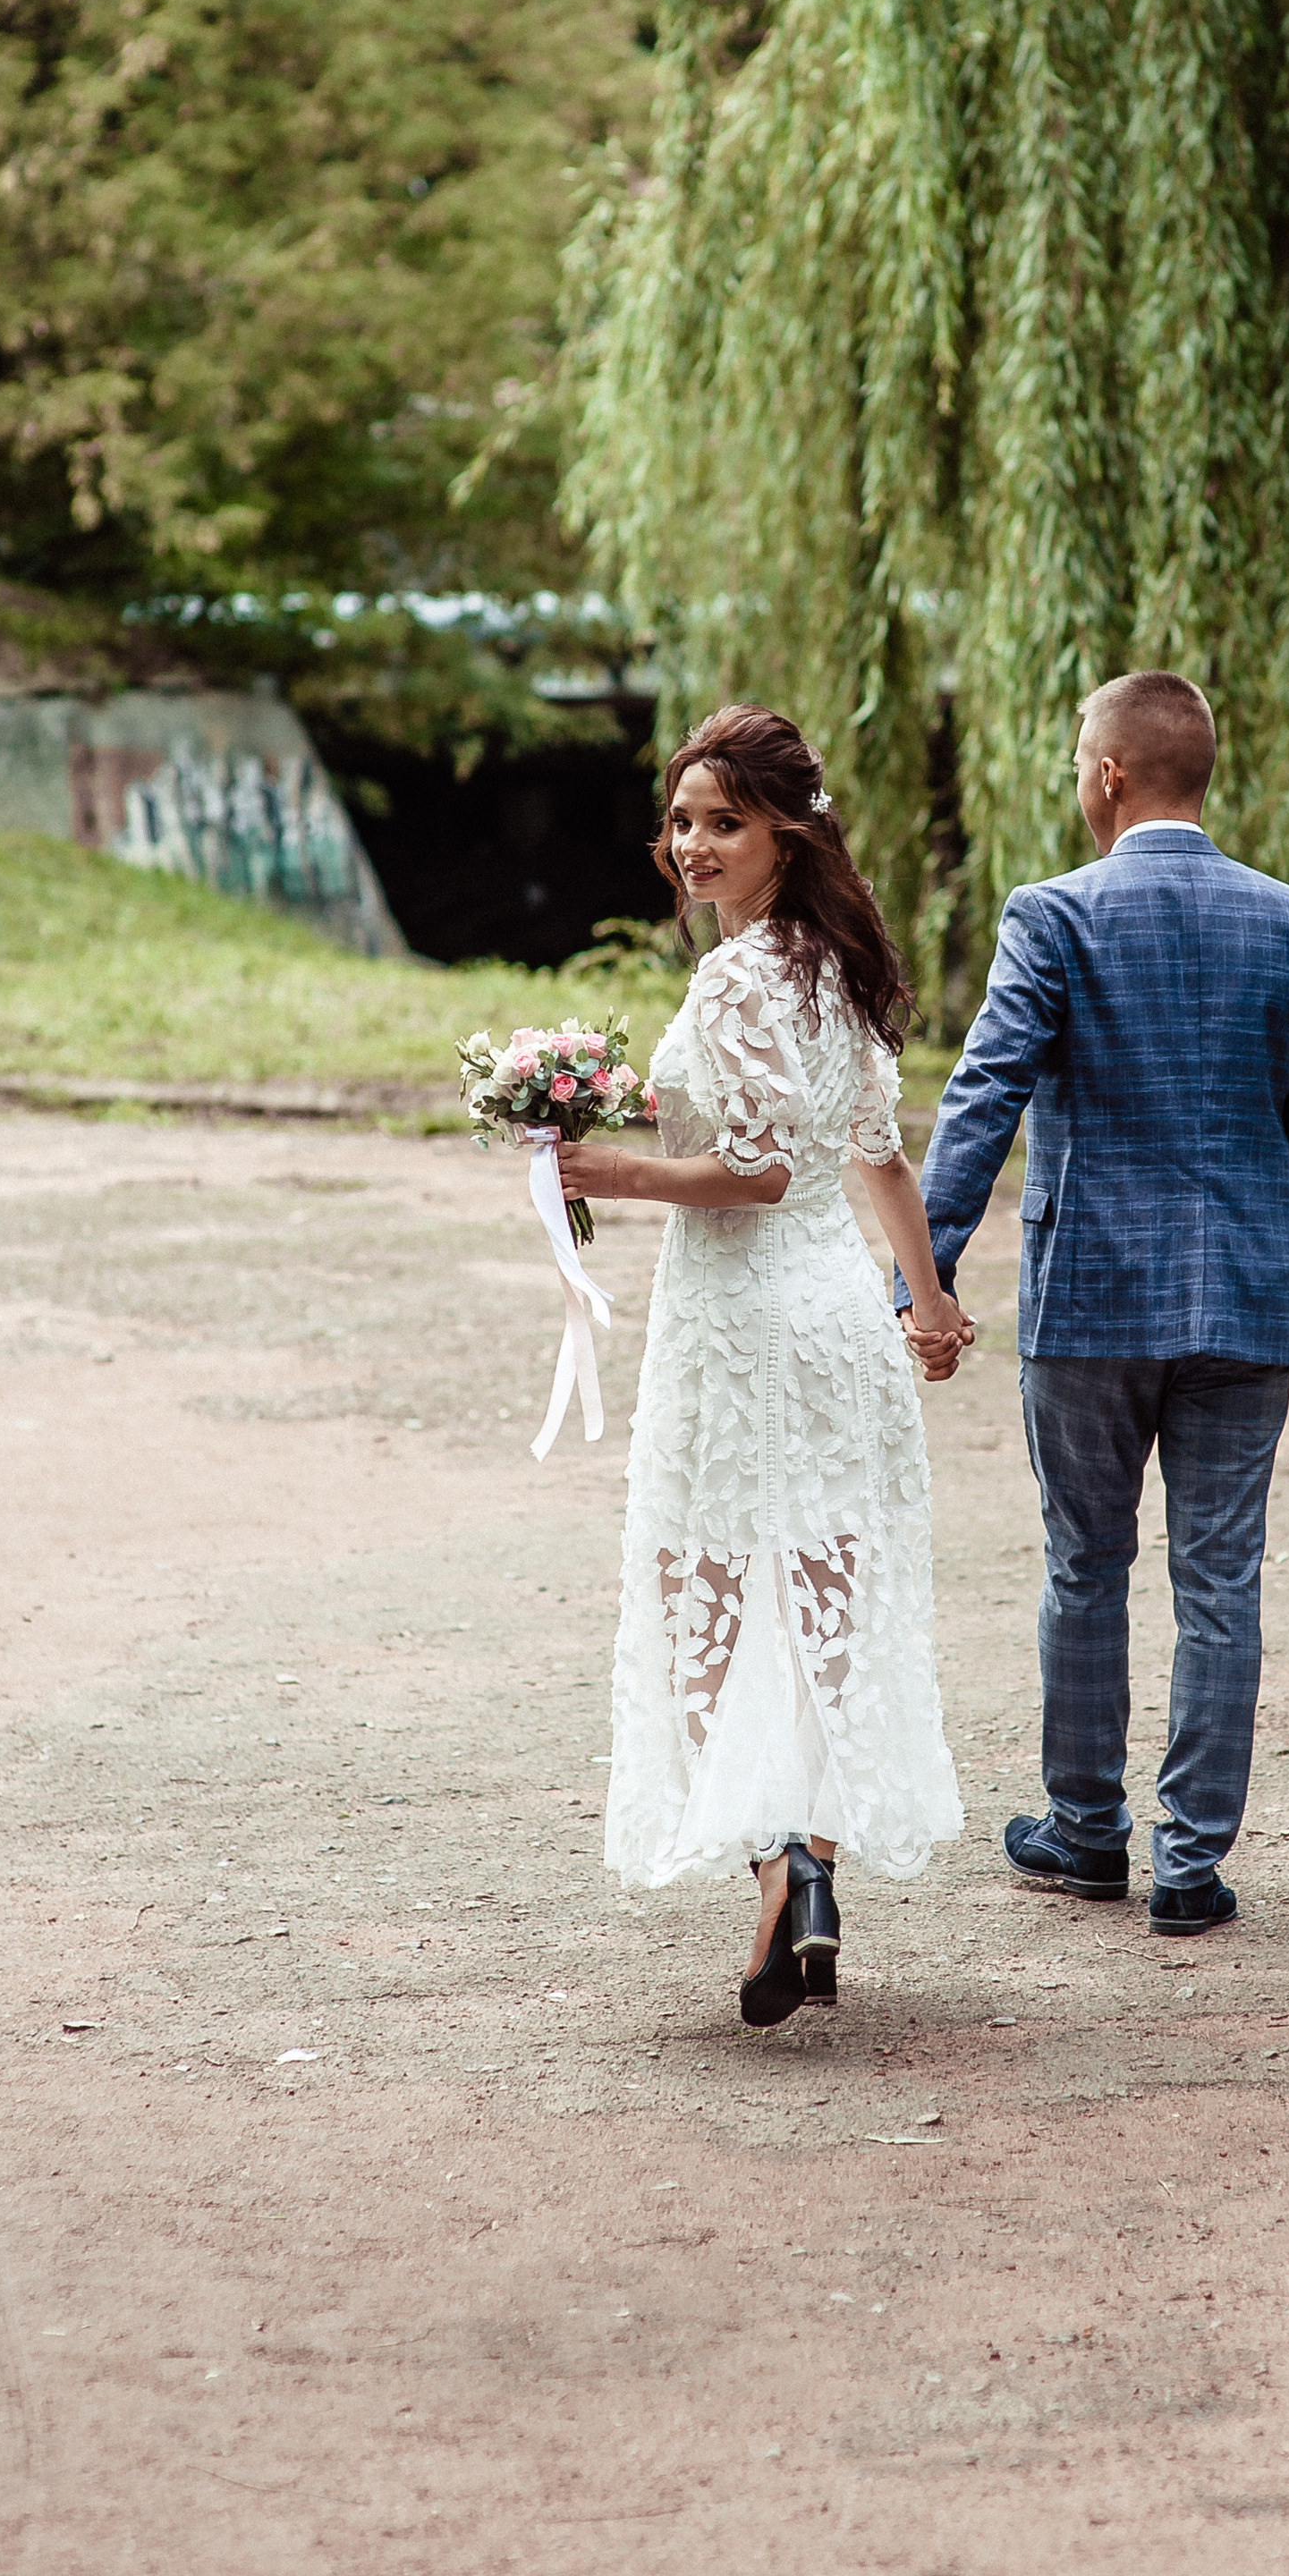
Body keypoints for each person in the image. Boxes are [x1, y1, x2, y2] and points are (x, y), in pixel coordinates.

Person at [907, 672, 1289, 1932]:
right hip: (1244, 1300)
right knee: (1220, 1578)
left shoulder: (1053, 917)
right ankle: (1191, 1867)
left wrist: (924, 1277)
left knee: (1084, 1566)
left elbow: (983, 1098)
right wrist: (1279, 1248)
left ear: (1108, 776)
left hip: (1091, 1299)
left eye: (1073, 763)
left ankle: (1087, 1834)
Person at [547, 704, 966, 2025]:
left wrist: (610, 1171)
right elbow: (876, 1154)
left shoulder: (738, 979)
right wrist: (931, 1300)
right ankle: (813, 1876)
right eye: (681, 821)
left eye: (723, 822)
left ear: (789, 828)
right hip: (839, 1316)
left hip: (739, 1329)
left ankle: (784, 1861)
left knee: (709, 1596)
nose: (693, 845)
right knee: (829, 1589)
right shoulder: (831, 963)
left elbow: (759, 1170)